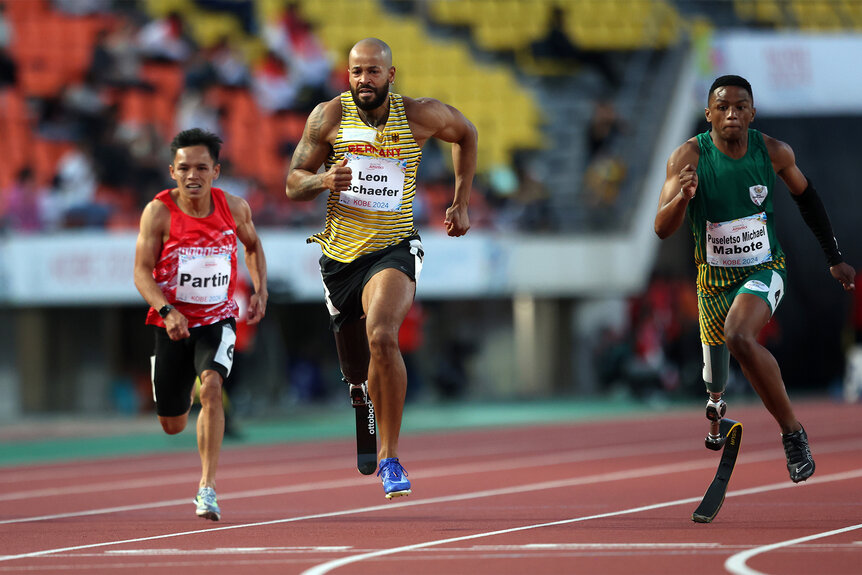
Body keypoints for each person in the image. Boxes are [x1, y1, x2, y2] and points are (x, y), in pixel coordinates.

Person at [285, 38, 477, 499]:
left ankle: (390, 458)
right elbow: (292, 182)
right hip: (339, 258)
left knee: (383, 335)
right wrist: (323, 179)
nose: (363, 81)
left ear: (391, 75)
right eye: (356, 73)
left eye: (373, 72)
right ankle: (359, 390)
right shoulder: (328, 117)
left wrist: (461, 201)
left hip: (393, 247)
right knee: (355, 368)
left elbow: (467, 134)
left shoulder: (419, 115)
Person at [654, 75, 856, 483]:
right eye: (723, 106)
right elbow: (661, 227)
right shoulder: (688, 157)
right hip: (712, 284)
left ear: (752, 112)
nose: (732, 113)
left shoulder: (774, 152)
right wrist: (683, 198)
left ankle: (792, 434)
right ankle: (716, 408)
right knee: (715, 380)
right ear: (708, 113)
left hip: (764, 270)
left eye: (740, 106)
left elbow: (807, 197)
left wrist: (833, 257)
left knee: (740, 336)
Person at [133, 128, 268, 520]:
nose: (193, 175)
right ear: (172, 171)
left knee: (212, 386)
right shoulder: (158, 212)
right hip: (171, 322)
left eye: (202, 168)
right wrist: (165, 311)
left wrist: (261, 289)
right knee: (172, 424)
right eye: (185, 168)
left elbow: (254, 246)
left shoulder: (235, 208)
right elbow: (141, 272)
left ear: (216, 171)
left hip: (217, 319)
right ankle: (178, 385)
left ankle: (206, 488)